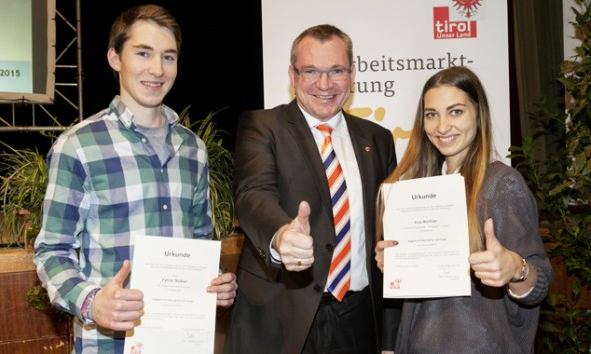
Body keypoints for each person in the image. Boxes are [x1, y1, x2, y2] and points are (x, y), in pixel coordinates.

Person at [33, 4, 237, 353]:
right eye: (143, 53)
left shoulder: (193, 149)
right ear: (115, 58)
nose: (157, 69)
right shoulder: (78, 145)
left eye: (168, 57)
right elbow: (52, 250)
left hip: (182, 342)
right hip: (108, 344)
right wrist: (91, 302)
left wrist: (216, 279)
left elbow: (199, 240)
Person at [223, 24, 399, 354]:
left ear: (352, 73)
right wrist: (280, 235)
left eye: (336, 71)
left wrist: (389, 339)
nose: (324, 84)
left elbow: (388, 238)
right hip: (281, 317)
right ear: (292, 75)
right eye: (311, 71)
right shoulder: (263, 126)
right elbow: (252, 194)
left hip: (358, 319)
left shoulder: (378, 139)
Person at [375, 66, 553, 354]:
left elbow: (538, 283)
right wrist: (397, 261)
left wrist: (515, 268)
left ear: (478, 114)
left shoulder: (501, 184)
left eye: (455, 111)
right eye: (432, 114)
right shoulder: (419, 189)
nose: (442, 127)